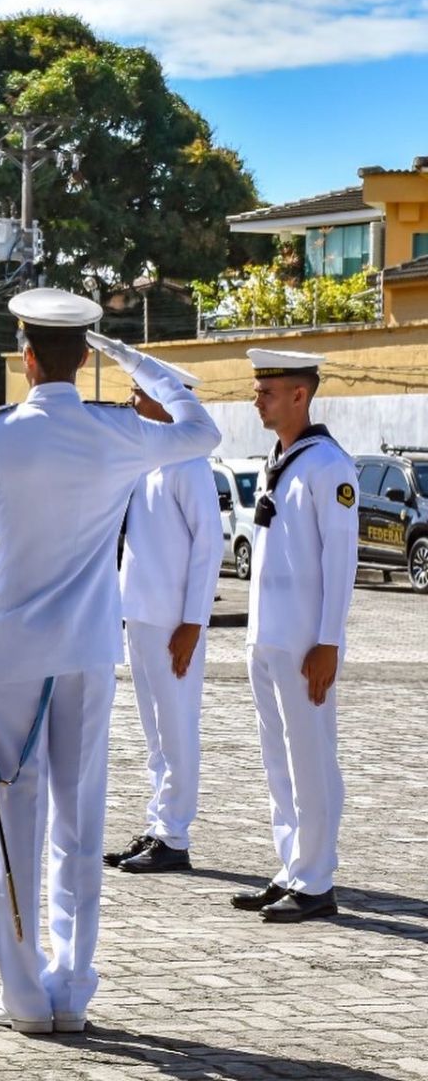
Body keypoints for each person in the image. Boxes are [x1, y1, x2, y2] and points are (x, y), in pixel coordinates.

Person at [0, 289, 220, 1036]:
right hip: (89, 650)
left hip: (10, 652)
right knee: (81, 821)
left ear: (26, 358)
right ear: (83, 358)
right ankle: (72, 990)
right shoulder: (117, 430)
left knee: (13, 822)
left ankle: (24, 996)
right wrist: (137, 361)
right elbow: (204, 429)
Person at [230, 348, 358, 923]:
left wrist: (329, 640)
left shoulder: (329, 466)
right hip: (268, 636)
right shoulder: (278, 460)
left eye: (267, 391)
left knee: (311, 759)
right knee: (278, 760)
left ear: (300, 395)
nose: (256, 400)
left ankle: (316, 880)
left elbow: (341, 559)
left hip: (306, 641)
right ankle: (291, 868)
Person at [106, 364, 222, 874]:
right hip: (141, 613)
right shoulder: (150, 460)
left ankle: (174, 836)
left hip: (174, 621)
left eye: (138, 392)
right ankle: (158, 825)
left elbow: (209, 545)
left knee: (176, 728)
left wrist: (194, 621)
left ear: (166, 398)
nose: (132, 401)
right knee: (154, 731)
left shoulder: (189, 463)